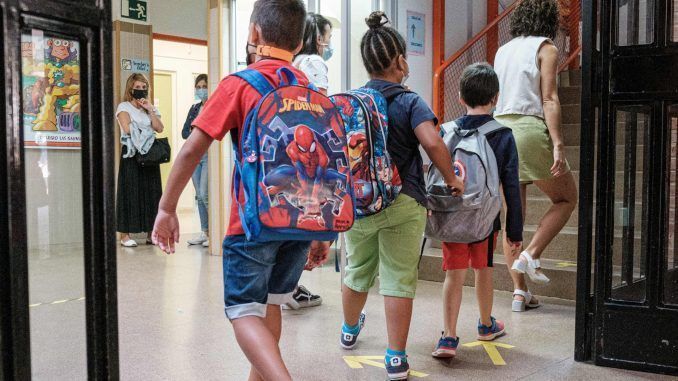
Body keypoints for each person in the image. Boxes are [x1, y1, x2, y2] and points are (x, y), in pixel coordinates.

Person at [151, 1, 329, 380]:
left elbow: (190, 150)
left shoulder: (239, 85)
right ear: (299, 44)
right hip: (301, 218)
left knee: (244, 311)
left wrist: (167, 209)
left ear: (253, 35)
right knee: (272, 305)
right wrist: (319, 231)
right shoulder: (310, 90)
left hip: (252, 224)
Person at [339, 12, 464, 381]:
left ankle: (348, 331)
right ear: (399, 61)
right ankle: (395, 359)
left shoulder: (354, 100)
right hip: (404, 201)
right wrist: (451, 177)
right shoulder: (410, 101)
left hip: (359, 202)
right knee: (398, 278)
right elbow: (431, 141)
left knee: (357, 269)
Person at [431, 63, 523, 358]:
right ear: (495, 98)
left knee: (453, 275)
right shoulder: (503, 135)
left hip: (452, 215)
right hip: (485, 220)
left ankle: (448, 336)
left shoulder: (446, 132)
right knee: (483, 270)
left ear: (460, 96)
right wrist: (515, 230)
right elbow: (511, 188)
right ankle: (486, 324)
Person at [493, 0, 577, 311]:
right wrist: (557, 142)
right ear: (548, 20)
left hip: (499, 132)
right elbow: (550, 98)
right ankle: (530, 255)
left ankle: (519, 293)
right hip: (528, 129)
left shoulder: (502, 50)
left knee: (514, 218)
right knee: (567, 198)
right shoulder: (546, 48)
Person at [282, 12, 335, 310]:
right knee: (313, 213)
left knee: (293, 216)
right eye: (327, 37)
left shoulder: (292, 62)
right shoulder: (315, 63)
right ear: (317, 38)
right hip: (309, 148)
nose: (328, 43)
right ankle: (290, 285)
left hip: (288, 145)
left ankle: (286, 284)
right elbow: (321, 108)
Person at [116, 73, 164, 247]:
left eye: (144, 88)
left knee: (152, 193)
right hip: (132, 154)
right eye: (138, 88)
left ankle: (152, 233)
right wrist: (146, 128)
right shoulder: (124, 106)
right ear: (131, 89)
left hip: (150, 154)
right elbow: (127, 129)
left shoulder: (149, 108)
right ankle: (125, 235)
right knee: (130, 192)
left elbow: (159, 127)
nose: (141, 91)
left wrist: (150, 110)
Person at [182, 74, 210, 247]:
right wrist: (194, 130)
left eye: (204, 86)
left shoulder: (214, 106)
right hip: (195, 156)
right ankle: (204, 231)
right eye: (198, 86)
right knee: (199, 197)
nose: (201, 90)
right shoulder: (194, 108)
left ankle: (214, 233)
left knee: (205, 194)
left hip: (208, 156)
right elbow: (185, 132)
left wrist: (197, 130)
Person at [293, 12, 333, 95]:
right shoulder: (314, 62)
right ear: (319, 39)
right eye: (329, 37)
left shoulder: (298, 60)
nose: (330, 41)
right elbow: (322, 102)